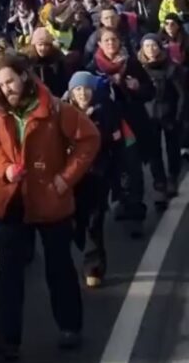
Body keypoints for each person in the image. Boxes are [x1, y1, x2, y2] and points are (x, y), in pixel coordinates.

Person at [0, 53, 99, 360]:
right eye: (0, 84)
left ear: (23, 76)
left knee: (58, 267)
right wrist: (4, 167)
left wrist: (65, 179)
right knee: (6, 272)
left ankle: (69, 327)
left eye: (9, 80)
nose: (6, 88)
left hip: (50, 197)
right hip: (11, 198)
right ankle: (5, 337)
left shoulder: (56, 109)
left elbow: (89, 139)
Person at [88, 28, 155, 228]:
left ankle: (136, 213)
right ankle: (122, 203)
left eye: (114, 40)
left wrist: (137, 87)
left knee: (133, 167)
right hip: (105, 128)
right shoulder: (93, 68)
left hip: (130, 126)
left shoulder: (132, 64)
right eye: (106, 40)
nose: (111, 44)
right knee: (113, 169)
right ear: (99, 44)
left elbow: (149, 91)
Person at [66, 71, 122, 289]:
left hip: (97, 173)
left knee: (94, 220)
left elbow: (114, 142)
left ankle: (94, 266)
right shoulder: (63, 111)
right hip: (71, 175)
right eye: (78, 89)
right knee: (75, 220)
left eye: (86, 89)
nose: (82, 93)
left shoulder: (105, 110)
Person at [138, 34, 186, 203]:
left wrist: (179, 116)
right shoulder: (139, 68)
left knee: (172, 148)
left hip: (169, 114)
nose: (151, 50)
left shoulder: (172, 68)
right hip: (149, 115)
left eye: (154, 45)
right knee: (154, 152)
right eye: (147, 46)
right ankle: (160, 184)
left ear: (160, 47)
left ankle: (172, 177)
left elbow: (182, 94)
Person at [25, 28, 69, 98]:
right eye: (40, 45)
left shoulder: (57, 59)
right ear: (34, 45)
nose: (43, 48)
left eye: (46, 45)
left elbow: (63, 81)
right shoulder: (27, 61)